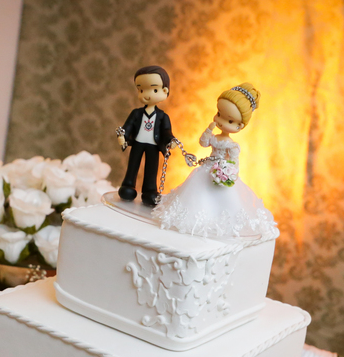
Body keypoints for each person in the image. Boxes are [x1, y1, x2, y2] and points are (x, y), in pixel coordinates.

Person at [153, 83, 277, 239]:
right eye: (219, 114)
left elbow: (234, 163)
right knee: (198, 193)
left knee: (223, 198)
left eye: (229, 121)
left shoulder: (232, 145)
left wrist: (228, 173)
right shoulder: (214, 137)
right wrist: (209, 130)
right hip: (206, 169)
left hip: (221, 172)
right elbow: (203, 143)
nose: (221, 121)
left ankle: (218, 222)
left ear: (240, 126)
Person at [117, 65, 175, 207]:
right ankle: (128, 185)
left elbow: (166, 131)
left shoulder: (162, 116)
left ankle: (149, 191)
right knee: (132, 165)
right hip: (137, 143)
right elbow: (127, 126)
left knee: (151, 169)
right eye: (141, 90)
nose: (146, 94)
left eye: (154, 90)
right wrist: (122, 136)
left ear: (164, 91)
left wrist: (171, 140)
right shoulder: (136, 113)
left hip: (153, 147)